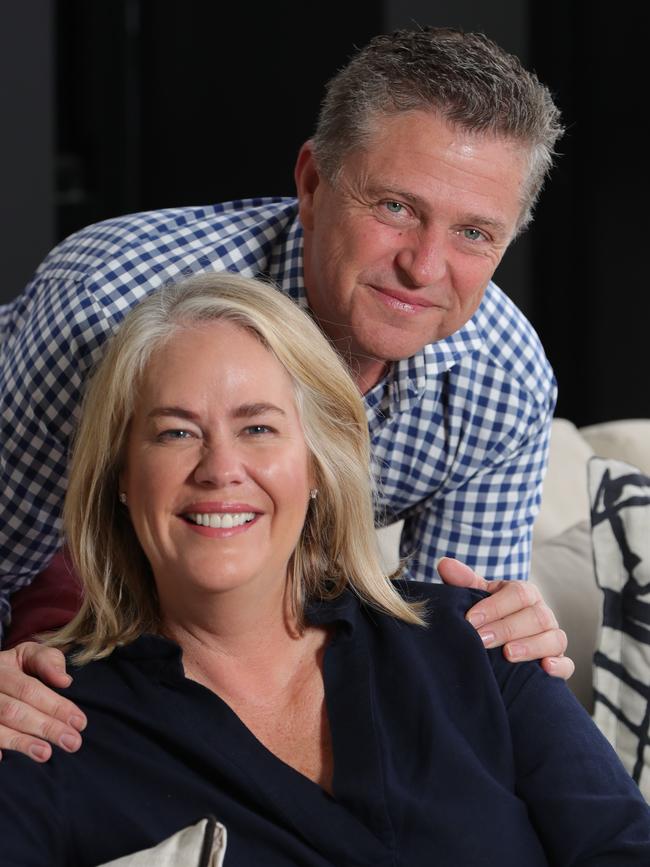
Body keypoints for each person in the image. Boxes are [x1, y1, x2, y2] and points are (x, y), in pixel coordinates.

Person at [0, 27, 571, 762]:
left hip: (247, 596)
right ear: (310, 182)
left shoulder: (503, 379)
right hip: (67, 546)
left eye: (473, 233)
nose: (424, 267)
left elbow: (437, 659)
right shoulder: (108, 306)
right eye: (395, 207)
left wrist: (506, 645)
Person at [0, 272, 647, 867]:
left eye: (257, 428)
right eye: (175, 432)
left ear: (314, 463)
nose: (220, 468)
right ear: (120, 476)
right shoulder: (48, 724)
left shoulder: (476, 637)